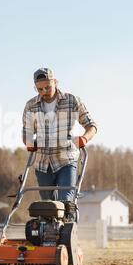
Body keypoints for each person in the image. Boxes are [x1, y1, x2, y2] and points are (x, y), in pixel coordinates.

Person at [22, 67, 98, 216]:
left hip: (66, 159)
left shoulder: (72, 101)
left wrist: (84, 138)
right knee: (47, 206)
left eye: (47, 87)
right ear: (35, 88)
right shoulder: (30, 105)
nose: (44, 91)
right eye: (40, 89)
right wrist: (29, 142)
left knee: (66, 203)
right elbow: (26, 131)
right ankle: (49, 236)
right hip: (42, 162)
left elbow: (92, 126)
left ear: (55, 82)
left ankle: (68, 234)